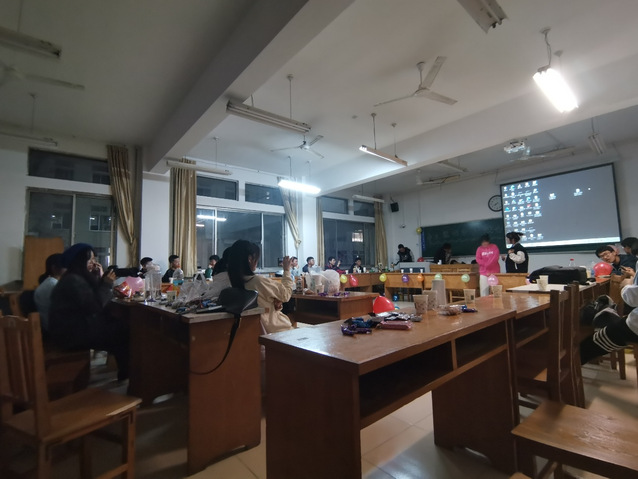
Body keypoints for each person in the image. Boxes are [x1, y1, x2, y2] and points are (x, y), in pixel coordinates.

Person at [48, 243, 129, 380]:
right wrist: (107, 284)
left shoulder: (73, 277)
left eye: (93, 259)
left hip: (72, 330)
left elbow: (92, 300)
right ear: (80, 261)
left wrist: (98, 279)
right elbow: (95, 306)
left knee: (118, 326)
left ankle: (125, 372)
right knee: (124, 332)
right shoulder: (73, 281)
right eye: (90, 259)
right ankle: (129, 374)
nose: (93, 262)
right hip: (72, 335)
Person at [227, 240, 294, 334]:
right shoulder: (258, 281)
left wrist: (274, 304)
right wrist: (286, 270)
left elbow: (262, 303)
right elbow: (286, 295)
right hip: (277, 331)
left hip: (257, 331)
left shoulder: (234, 283)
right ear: (250, 259)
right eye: (256, 259)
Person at [34, 253, 66, 333]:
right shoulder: (54, 285)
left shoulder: (47, 283)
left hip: (47, 327)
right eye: (64, 265)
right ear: (54, 268)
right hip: (55, 329)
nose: (67, 268)